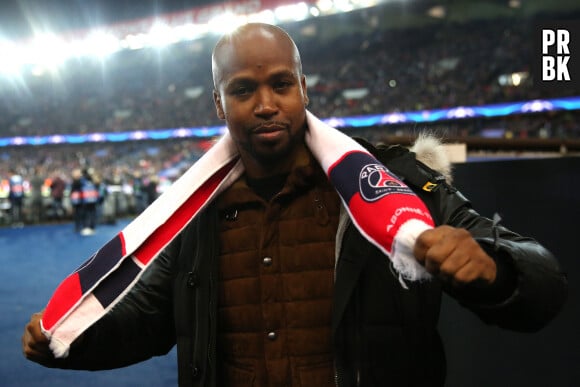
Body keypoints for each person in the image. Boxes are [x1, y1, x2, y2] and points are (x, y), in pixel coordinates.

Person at [22, 23, 567, 387]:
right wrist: (68, 343)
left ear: (303, 88)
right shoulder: (194, 211)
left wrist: (497, 272)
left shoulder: (392, 182)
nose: (265, 105)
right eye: (242, 90)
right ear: (218, 103)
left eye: (281, 84)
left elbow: (541, 281)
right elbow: (149, 322)